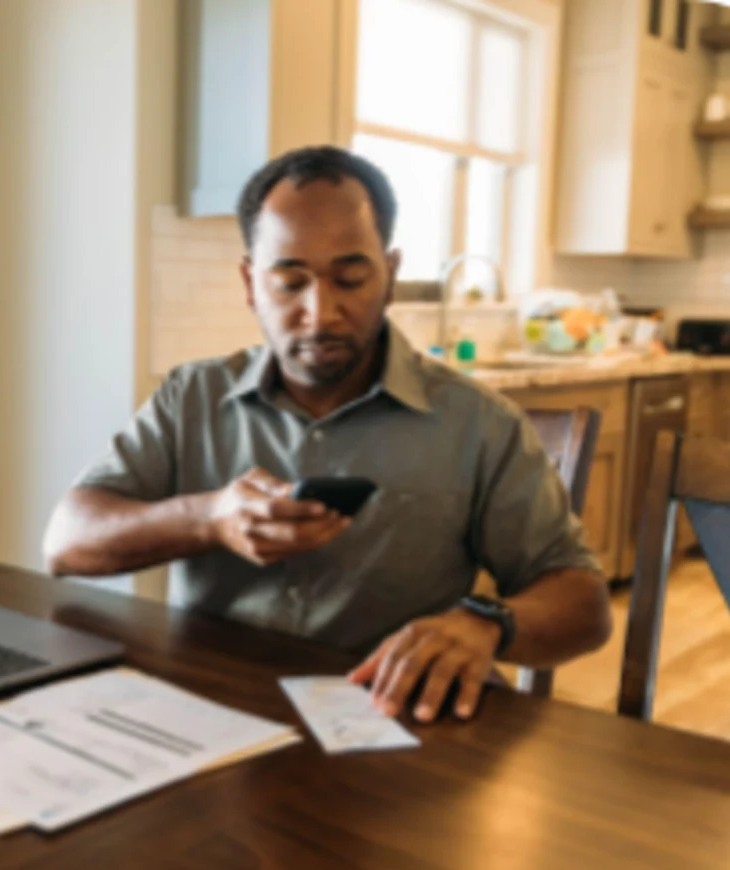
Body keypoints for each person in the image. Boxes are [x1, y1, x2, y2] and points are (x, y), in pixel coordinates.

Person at [42, 146, 611, 724]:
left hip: (399, 725)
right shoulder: (191, 398)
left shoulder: (480, 424)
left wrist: (489, 622)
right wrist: (208, 519)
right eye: (290, 282)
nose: (321, 314)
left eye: (351, 278)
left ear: (389, 276)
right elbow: (66, 544)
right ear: (249, 282)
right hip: (219, 714)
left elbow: (585, 604)